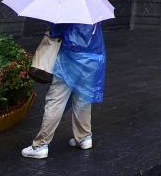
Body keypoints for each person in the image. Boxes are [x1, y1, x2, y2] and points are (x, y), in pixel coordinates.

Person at [21, 22, 106, 158]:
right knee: (83, 99)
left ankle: (41, 145)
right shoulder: (91, 11)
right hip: (93, 58)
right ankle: (84, 137)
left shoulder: (68, 9)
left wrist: (52, 27)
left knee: (56, 100)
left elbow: (58, 31)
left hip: (70, 59)